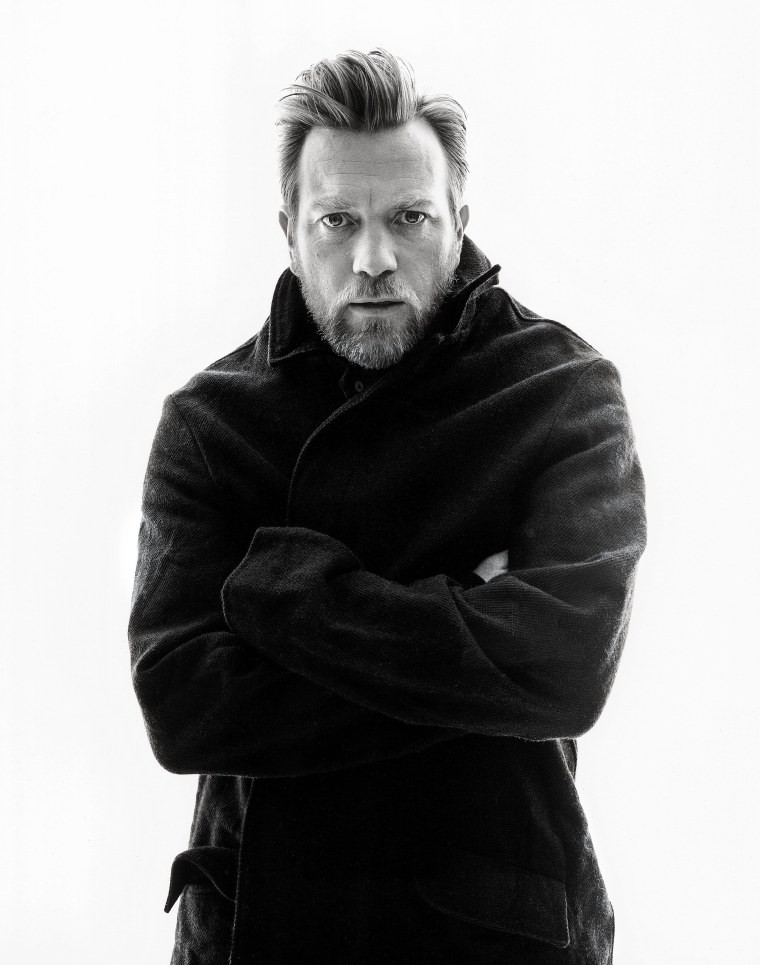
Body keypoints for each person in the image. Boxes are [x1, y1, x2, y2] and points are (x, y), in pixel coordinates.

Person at [128, 48, 647, 965]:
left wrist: (285, 592)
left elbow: (566, 668)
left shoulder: (562, 392)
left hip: (492, 934)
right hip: (259, 928)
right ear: (290, 231)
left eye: (409, 218)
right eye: (339, 221)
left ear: (459, 221)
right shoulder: (210, 421)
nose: (373, 260)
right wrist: (470, 615)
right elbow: (185, 706)